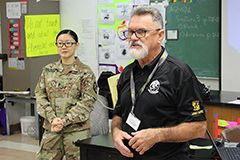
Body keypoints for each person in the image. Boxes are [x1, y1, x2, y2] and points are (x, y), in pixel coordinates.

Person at [111, 6, 207, 160]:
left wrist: (157, 135)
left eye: (141, 32)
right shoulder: (127, 73)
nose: (133, 37)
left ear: (160, 35)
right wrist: (115, 131)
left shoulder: (179, 73)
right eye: (130, 32)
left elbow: (198, 128)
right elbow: (118, 113)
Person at [35, 29, 97, 160]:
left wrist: (64, 121)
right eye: (60, 43)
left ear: (76, 45)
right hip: (53, 128)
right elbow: (40, 95)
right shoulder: (48, 70)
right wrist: (52, 118)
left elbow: (87, 101)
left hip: (76, 130)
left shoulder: (85, 72)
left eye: (68, 43)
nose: (64, 47)